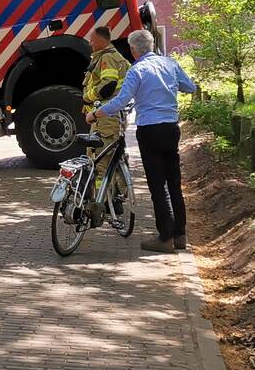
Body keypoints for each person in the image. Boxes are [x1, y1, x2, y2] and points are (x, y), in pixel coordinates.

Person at [86, 29, 196, 254]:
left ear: (134, 50)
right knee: (174, 182)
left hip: (149, 131)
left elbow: (121, 100)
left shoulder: (137, 70)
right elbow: (190, 87)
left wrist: (95, 114)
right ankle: (180, 235)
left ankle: (165, 237)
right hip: (171, 128)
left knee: (157, 185)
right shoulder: (170, 64)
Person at [83, 26, 130, 195]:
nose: (90, 43)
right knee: (110, 159)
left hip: (105, 119)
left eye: (92, 40)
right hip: (109, 117)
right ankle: (113, 197)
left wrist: (87, 97)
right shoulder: (116, 57)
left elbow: (107, 86)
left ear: (102, 40)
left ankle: (101, 203)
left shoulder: (107, 58)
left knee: (100, 162)